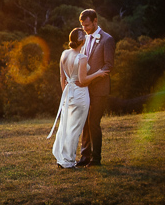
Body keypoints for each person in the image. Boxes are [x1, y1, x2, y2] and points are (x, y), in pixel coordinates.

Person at [48, 27, 109, 168]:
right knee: (75, 129)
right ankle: (68, 162)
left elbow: (62, 78)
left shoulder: (64, 54)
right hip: (81, 96)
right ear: (81, 40)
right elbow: (83, 81)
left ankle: (62, 159)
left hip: (68, 94)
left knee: (67, 127)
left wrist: (67, 94)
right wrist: (98, 73)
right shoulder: (82, 58)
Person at [76, 9, 115, 167]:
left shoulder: (107, 40)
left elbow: (108, 66)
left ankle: (96, 159)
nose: (85, 28)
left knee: (93, 123)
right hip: (85, 89)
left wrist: (90, 79)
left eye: (87, 25)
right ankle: (84, 156)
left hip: (99, 90)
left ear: (95, 21)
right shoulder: (85, 39)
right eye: (83, 25)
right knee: (85, 122)